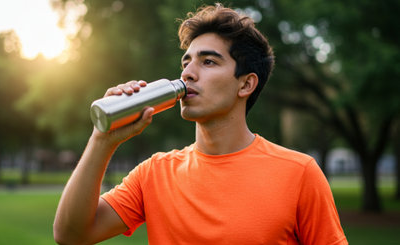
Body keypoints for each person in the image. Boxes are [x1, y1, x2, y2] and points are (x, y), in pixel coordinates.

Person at [54, 3, 348, 245]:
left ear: (246, 84)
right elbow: (70, 235)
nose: (188, 74)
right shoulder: (153, 174)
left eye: (208, 62)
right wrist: (102, 140)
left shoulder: (299, 174)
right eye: (186, 62)